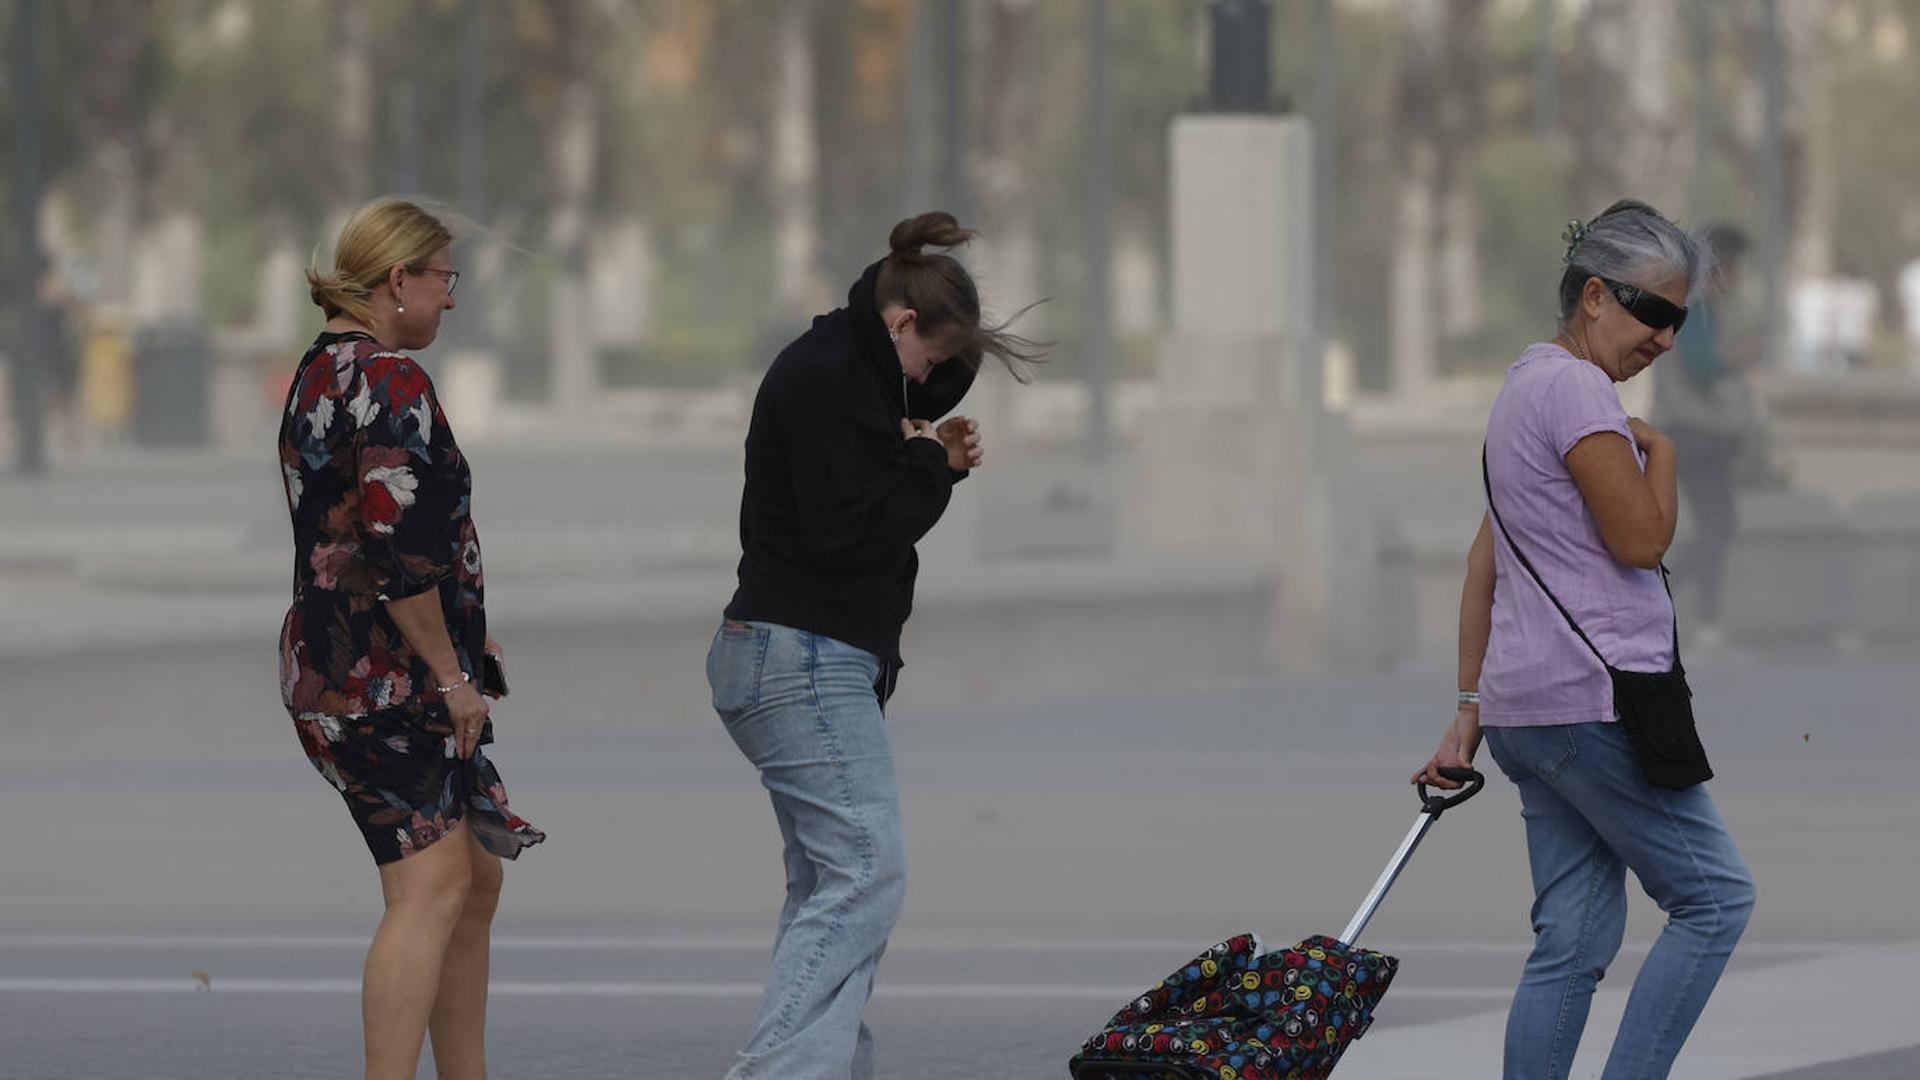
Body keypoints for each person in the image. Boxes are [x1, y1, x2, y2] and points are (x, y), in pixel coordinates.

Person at [1415, 200, 1755, 1079]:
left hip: (1532, 712)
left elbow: (1484, 565)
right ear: (1594, 295)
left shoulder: (1522, 387)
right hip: (1595, 705)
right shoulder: (1576, 390)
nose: (1668, 339)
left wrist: (1468, 710)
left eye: (1682, 320)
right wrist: (1666, 458)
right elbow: (1641, 540)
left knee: (1572, 940)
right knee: (1715, 898)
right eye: (1655, 313)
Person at [707, 211, 1041, 1080]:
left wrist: (937, 451)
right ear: (898, 324)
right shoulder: (827, 380)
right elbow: (846, 536)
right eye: (930, 356)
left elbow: (907, 413)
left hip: (797, 655)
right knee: (865, 876)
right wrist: (932, 468)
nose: (933, 383)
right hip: (801, 657)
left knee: (830, 889)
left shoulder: (850, 368)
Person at [281, 197, 543, 1080]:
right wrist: (449, 671)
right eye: (444, 279)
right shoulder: (390, 379)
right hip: (385, 679)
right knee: (427, 891)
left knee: (473, 884)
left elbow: (356, 534)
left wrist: (465, 634)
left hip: (340, 662)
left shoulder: (319, 372)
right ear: (399, 281)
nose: (451, 299)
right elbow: (397, 555)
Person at [1653, 224, 1757, 638]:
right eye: (1734, 269)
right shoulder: (1695, 311)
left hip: (1697, 434)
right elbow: (1702, 369)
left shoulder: (1691, 309)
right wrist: (1742, 357)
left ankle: (1678, 608)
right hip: (1697, 434)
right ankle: (1689, 612)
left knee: (1718, 525)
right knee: (1718, 525)